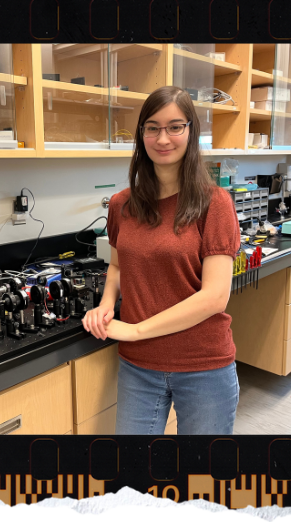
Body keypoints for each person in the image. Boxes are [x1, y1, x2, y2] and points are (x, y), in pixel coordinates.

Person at [81, 86, 240, 435]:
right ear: (141, 135)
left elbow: (215, 297)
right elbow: (118, 265)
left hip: (203, 365)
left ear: (190, 131)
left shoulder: (216, 203)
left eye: (174, 127)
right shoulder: (122, 204)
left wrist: (135, 330)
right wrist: (106, 305)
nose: (162, 138)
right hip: (139, 367)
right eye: (152, 127)